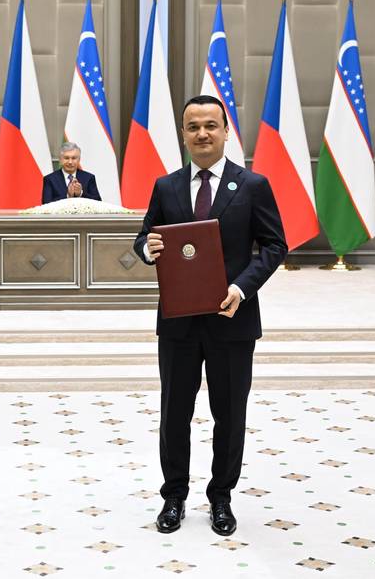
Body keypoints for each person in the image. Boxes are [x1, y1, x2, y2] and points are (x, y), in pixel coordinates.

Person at [133, 95, 286, 536]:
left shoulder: (252, 185)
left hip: (232, 318)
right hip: (178, 323)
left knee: (230, 414)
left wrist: (242, 287)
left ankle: (221, 497)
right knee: (174, 413)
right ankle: (174, 496)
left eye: (210, 125)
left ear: (225, 131)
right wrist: (147, 249)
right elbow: (145, 237)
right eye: (193, 126)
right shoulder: (166, 186)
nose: (202, 133)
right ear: (183, 134)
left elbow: (275, 245)